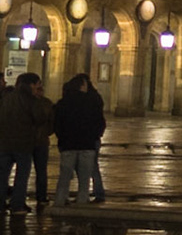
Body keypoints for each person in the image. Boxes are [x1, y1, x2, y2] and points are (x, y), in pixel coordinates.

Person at [1, 73, 54, 212]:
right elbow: (40, 118)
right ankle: (17, 204)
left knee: (2, 175)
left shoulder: (7, 97)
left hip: (4, 143)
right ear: (31, 85)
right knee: (21, 176)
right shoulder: (30, 99)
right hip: (23, 143)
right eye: (38, 84)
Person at [53, 73, 106, 206]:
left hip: (68, 145)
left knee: (64, 177)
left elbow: (56, 124)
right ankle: (82, 205)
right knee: (84, 180)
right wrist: (95, 136)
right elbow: (100, 122)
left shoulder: (62, 103)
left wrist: (62, 138)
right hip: (87, 145)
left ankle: (59, 202)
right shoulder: (91, 101)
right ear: (82, 86)